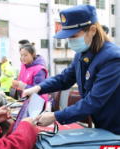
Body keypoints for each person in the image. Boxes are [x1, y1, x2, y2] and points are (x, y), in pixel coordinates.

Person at [23, 4, 120, 135]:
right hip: (102, 127)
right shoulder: (81, 54)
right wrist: (38, 88)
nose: (70, 41)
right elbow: (64, 79)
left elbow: (94, 101)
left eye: (74, 36)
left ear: (92, 30)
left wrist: (55, 116)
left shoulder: (112, 58)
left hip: (115, 128)